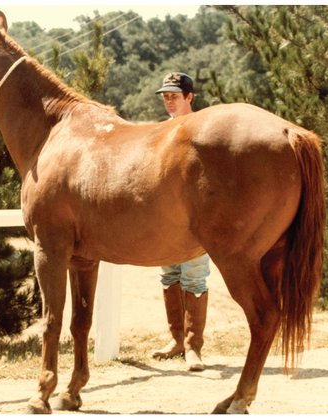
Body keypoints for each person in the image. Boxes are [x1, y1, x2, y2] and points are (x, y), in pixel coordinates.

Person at [151, 72, 210, 372]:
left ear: (190, 97)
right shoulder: (161, 131)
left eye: (175, 95)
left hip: (196, 221)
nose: (169, 100)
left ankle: (193, 346)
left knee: (194, 278)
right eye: (165, 95)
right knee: (169, 276)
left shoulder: (204, 131)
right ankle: (176, 339)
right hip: (166, 219)